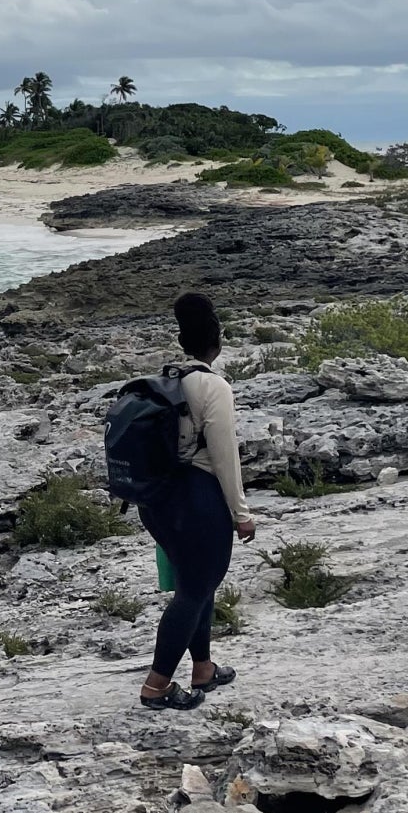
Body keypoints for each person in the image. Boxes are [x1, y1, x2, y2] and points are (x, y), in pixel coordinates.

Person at [139, 291, 257, 710]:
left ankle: (203, 667)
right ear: (217, 344)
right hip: (197, 499)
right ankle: (156, 686)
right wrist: (241, 513)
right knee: (193, 590)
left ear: (182, 340)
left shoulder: (165, 381)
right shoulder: (213, 386)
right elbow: (225, 456)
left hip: (157, 500)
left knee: (199, 583)